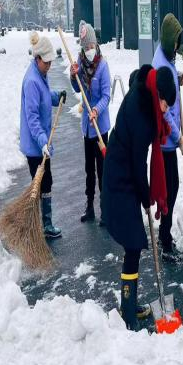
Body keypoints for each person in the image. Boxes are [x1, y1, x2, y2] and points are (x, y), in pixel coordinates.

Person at [101, 64, 177, 330]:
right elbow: (137, 163)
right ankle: (128, 312)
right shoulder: (144, 118)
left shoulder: (143, 88)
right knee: (133, 244)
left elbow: (136, 75)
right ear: (157, 96)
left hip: (123, 171)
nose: (166, 111)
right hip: (120, 178)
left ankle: (129, 305)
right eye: (166, 104)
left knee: (133, 245)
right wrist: (146, 197)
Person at [20, 32, 67, 239]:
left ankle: (43, 223)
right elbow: (32, 118)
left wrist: (57, 96)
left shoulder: (41, 75)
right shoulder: (31, 81)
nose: (49, 66)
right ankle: (41, 225)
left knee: (45, 181)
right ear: (37, 59)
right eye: (46, 62)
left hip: (42, 143)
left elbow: (45, 98)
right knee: (41, 183)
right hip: (35, 145)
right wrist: (42, 142)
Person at [152, 13, 183, 261]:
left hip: (168, 138)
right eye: (176, 41)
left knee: (172, 187)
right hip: (166, 139)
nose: (177, 45)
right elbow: (164, 113)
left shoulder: (165, 57)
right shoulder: (162, 64)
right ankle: (164, 239)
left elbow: (167, 80)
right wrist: (179, 138)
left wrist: (178, 78)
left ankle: (165, 234)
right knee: (170, 189)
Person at [70, 21, 111, 225]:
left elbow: (106, 95)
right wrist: (72, 75)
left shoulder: (103, 66)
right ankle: (89, 206)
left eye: (91, 46)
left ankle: (106, 209)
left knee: (102, 170)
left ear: (96, 44)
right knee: (89, 169)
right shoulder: (79, 61)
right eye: (85, 47)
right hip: (87, 127)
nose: (88, 51)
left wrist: (96, 109)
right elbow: (78, 90)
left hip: (100, 127)